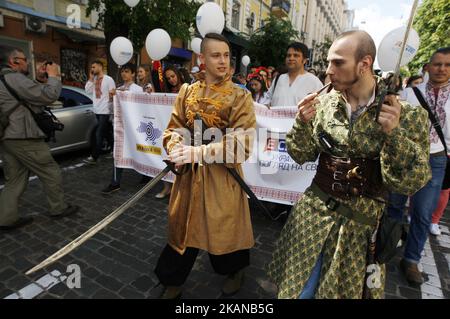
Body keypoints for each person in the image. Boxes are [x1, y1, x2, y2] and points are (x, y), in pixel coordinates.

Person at [267, 31, 431, 299]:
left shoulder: (405, 115)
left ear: (364, 64)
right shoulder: (324, 103)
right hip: (312, 217)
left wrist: (394, 135)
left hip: (358, 231)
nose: (329, 70)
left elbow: (413, 180)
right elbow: (300, 154)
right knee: (298, 292)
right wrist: (302, 123)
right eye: (329, 62)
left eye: (338, 63)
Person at [154, 33, 256, 299]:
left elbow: (242, 144)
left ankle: (235, 270)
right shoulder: (187, 91)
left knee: (224, 232)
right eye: (216, 55)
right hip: (188, 177)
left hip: (222, 179)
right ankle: (172, 280)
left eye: (226, 56)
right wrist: (174, 145)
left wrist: (197, 151)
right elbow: (174, 127)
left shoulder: (239, 96)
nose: (223, 61)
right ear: (202, 58)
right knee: (183, 231)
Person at [0, 45, 79, 231]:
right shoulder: (14, 78)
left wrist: (38, 80)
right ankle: (58, 208)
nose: (27, 62)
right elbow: (49, 95)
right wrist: (53, 76)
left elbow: (26, 96)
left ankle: (6, 218)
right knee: (50, 171)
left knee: (15, 179)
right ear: (14, 61)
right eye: (24, 59)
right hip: (23, 136)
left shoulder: (5, 80)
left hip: (7, 138)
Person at [388, 48, 450, 279]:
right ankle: (384, 248)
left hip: (435, 159)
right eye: (437, 64)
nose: (441, 69)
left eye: (447, 65)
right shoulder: (410, 93)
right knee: (394, 206)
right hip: (404, 157)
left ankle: (411, 259)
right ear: (428, 67)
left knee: (423, 213)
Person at [101, 63, 143, 194]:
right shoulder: (118, 89)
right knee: (118, 154)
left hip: (134, 128)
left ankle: (146, 174)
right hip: (120, 127)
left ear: (133, 74)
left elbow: (140, 108)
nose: (124, 74)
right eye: (123, 71)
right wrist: (111, 98)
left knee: (139, 151)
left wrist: (126, 95)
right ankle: (115, 182)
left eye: (127, 71)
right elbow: (112, 109)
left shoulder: (137, 89)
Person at [266, 42, 323, 107]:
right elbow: (267, 101)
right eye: (288, 55)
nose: (291, 58)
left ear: (304, 60)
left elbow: (321, 105)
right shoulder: (279, 79)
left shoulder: (314, 81)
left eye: (296, 55)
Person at [83, 60, 116, 164]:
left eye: (94, 67)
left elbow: (112, 94)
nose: (92, 69)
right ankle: (115, 149)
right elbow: (87, 90)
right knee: (106, 132)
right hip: (97, 110)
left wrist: (112, 110)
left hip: (105, 110)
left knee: (99, 133)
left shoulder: (108, 79)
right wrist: (91, 79)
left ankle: (94, 156)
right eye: (91, 67)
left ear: (100, 67)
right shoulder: (94, 79)